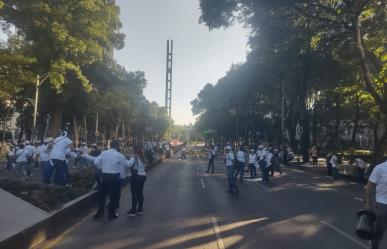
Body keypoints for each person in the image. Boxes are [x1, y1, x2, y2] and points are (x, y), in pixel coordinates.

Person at [84, 140, 129, 220]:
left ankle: (100, 212)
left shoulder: (104, 153)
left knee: (102, 195)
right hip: (115, 177)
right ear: (117, 146)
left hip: (105, 176)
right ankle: (111, 214)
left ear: (110, 145)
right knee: (113, 196)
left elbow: (96, 162)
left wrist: (103, 166)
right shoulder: (119, 155)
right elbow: (128, 164)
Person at [365, 161, 387, 249]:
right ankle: (374, 245)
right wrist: (368, 203)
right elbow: (369, 187)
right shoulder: (380, 168)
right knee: (380, 230)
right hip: (382, 204)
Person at [126, 145, 147, 216]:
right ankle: (140, 209)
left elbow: (128, 165)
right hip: (143, 177)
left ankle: (133, 211)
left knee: (134, 194)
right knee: (140, 193)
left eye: (133, 149)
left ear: (135, 150)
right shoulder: (143, 158)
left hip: (135, 177)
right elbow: (144, 167)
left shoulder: (134, 157)